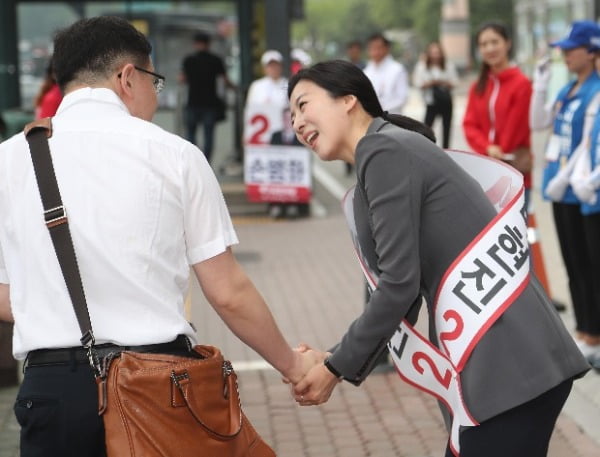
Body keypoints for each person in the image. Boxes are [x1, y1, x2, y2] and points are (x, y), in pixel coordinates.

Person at [0, 16, 315, 456]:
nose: (154, 95)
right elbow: (227, 292)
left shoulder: (9, 159)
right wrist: (294, 364)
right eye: (155, 82)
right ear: (128, 77)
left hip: (51, 390)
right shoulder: (174, 155)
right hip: (158, 385)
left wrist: (55, 303)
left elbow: (5, 297)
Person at [286, 59, 589, 457]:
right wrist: (336, 356)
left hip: (506, 364)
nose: (295, 122)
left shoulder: (383, 150)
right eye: (290, 115)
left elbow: (398, 285)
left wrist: (333, 370)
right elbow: (405, 298)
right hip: (504, 363)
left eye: (303, 105)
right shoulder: (384, 153)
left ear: (347, 99)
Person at [530, 20, 600, 365]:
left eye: (571, 49)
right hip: (559, 190)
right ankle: (585, 329)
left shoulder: (595, 90)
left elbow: (587, 143)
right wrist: (540, 86)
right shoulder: (569, 89)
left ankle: (594, 332)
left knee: (590, 263)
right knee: (572, 262)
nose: (565, 55)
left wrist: (570, 179)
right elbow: (538, 122)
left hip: (581, 191)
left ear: (591, 50)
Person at [463, 22, 533, 209]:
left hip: (514, 174)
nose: (490, 48)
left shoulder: (521, 84)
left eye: (495, 42)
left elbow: (517, 127)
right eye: (484, 44)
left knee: (517, 234)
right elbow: (469, 125)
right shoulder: (478, 87)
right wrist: (487, 147)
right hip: (485, 172)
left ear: (507, 44)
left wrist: (498, 150)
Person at [245, 50, 290, 219]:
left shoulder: (287, 85)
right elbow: (250, 111)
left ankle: (289, 202)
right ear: (265, 68)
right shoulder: (257, 86)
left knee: (284, 168)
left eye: (276, 65)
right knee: (271, 170)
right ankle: (274, 204)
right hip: (263, 138)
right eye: (270, 65)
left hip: (283, 136)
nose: (273, 69)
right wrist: (247, 134)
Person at [180, 31, 235, 164]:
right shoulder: (215, 60)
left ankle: (193, 161)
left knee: (191, 134)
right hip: (211, 103)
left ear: (195, 44)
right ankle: (206, 163)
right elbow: (224, 80)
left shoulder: (189, 60)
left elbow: (182, 79)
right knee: (208, 135)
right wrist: (234, 88)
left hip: (193, 102)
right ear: (209, 44)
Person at [413, 41, 458, 149]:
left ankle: (447, 150)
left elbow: (455, 82)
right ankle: (426, 149)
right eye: (433, 52)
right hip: (431, 101)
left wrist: (442, 82)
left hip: (446, 101)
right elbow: (417, 83)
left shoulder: (448, 65)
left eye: (437, 52)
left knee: (446, 129)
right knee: (426, 128)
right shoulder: (422, 66)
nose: (435, 55)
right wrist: (431, 83)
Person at [363, 33, 408, 114]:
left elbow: (402, 98)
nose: (375, 52)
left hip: (392, 118)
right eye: (372, 48)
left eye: (379, 48)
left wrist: (381, 109)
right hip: (371, 118)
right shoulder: (366, 72)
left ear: (387, 48)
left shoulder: (397, 69)